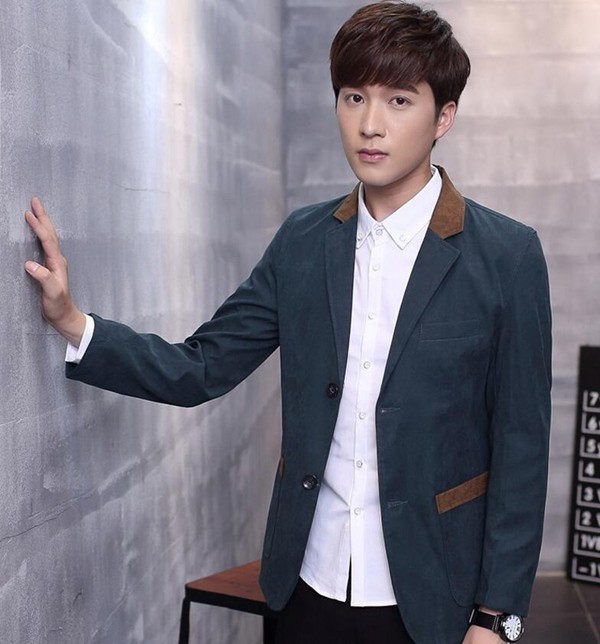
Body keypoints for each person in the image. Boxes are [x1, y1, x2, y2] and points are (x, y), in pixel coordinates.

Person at [24, 2, 551, 643]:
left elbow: (522, 450)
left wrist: (496, 620)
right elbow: (202, 365)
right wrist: (72, 321)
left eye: (398, 101)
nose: (371, 124)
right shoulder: (303, 241)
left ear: (444, 116)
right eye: (353, 97)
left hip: (434, 598)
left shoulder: (506, 256)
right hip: (305, 585)